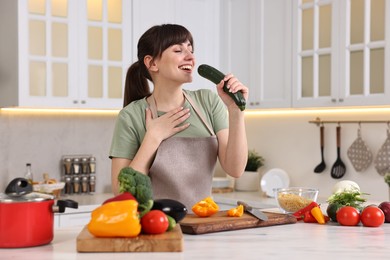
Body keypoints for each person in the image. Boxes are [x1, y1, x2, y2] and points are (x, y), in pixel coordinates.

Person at [109, 24, 248, 209]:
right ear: (152, 63)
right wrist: (153, 137)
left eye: (191, 49)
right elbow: (122, 192)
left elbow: (235, 169)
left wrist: (236, 111)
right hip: (155, 226)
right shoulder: (131, 116)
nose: (190, 57)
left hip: (202, 223)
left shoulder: (208, 102)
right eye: (178, 50)